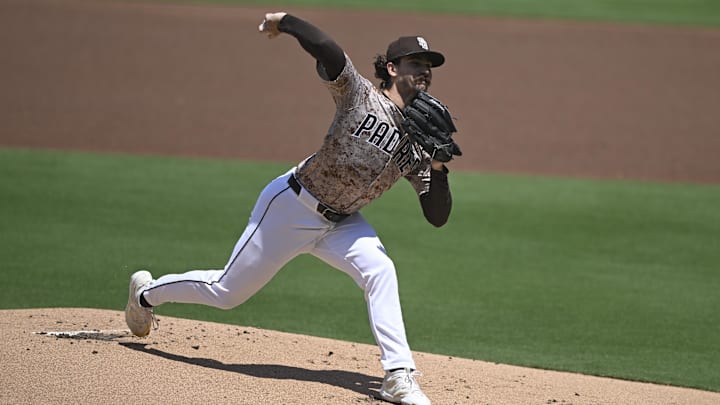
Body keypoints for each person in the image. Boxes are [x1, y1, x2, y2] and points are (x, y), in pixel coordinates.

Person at [125, 11, 459, 405]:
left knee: (380, 270)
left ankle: (398, 375)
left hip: (343, 224)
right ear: (391, 67)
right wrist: (286, 22)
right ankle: (145, 294)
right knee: (226, 292)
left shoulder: (421, 141)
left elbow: (436, 215)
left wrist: (438, 166)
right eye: (416, 63)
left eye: (429, 66)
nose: (425, 72)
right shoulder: (361, 96)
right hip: (293, 206)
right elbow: (330, 52)